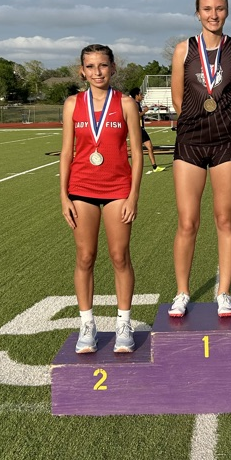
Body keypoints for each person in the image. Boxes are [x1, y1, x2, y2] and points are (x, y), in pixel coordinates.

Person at [169, 0, 231, 318]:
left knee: (224, 218)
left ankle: (224, 292)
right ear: (197, 13)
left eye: (219, 8)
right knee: (188, 221)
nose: (213, 14)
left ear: (226, 11)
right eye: (207, 9)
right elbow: (177, 97)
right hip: (190, 141)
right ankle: (182, 292)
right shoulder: (183, 49)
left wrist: (226, 122)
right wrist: (195, 120)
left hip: (225, 142)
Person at [60, 44, 143, 355]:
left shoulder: (125, 104)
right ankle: (87, 324)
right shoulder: (72, 104)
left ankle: (123, 323)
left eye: (103, 66)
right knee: (85, 257)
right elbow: (67, 152)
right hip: (81, 188)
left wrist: (133, 195)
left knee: (120, 256)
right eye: (91, 66)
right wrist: (63, 196)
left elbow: (136, 152)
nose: (97, 72)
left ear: (113, 68)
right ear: (82, 70)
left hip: (118, 190)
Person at [129, 88, 165, 174]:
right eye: (140, 94)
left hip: (141, 129)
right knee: (135, 150)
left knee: (149, 147)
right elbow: (136, 116)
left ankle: (155, 167)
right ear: (136, 95)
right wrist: (145, 111)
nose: (142, 96)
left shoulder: (137, 104)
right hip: (138, 130)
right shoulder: (135, 104)